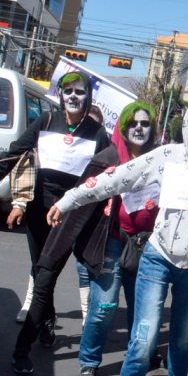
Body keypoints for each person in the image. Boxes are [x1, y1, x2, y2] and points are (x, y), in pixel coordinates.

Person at [48, 94, 188, 376]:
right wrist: (68, 200)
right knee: (144, 337)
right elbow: (116, 178)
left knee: (183, 335)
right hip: (159, 258)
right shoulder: (167, 156)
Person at [0, 72, 109, 362]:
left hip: (69, 215)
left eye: (79, 91)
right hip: (38, 211)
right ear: (61, 94)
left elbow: (108, 174)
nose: (73, 96)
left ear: (88, 97)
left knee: (45, 277)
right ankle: (47, 320)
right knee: (40, 271)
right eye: (67, 90)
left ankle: (22, 349)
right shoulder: (45, 121)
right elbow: (14, 153)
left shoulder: (97, 133)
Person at [75, 102, 160, 376]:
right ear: (123, 127)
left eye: (145, 124)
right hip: (114, 242)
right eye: (133, 123)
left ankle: (140, 357)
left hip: (147, 246)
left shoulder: (161, 160)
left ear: (152, 130)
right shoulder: (110, 156)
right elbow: (85, 192)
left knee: (143, 310)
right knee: (103, 307)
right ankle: (89, 361)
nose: (139, 128)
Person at [76, 103, 106, 324]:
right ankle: (86, 312)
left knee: (89, 266)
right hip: (73, 212)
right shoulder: (73, 147)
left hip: (97, 216)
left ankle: (91, 314)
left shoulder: (107, 151)